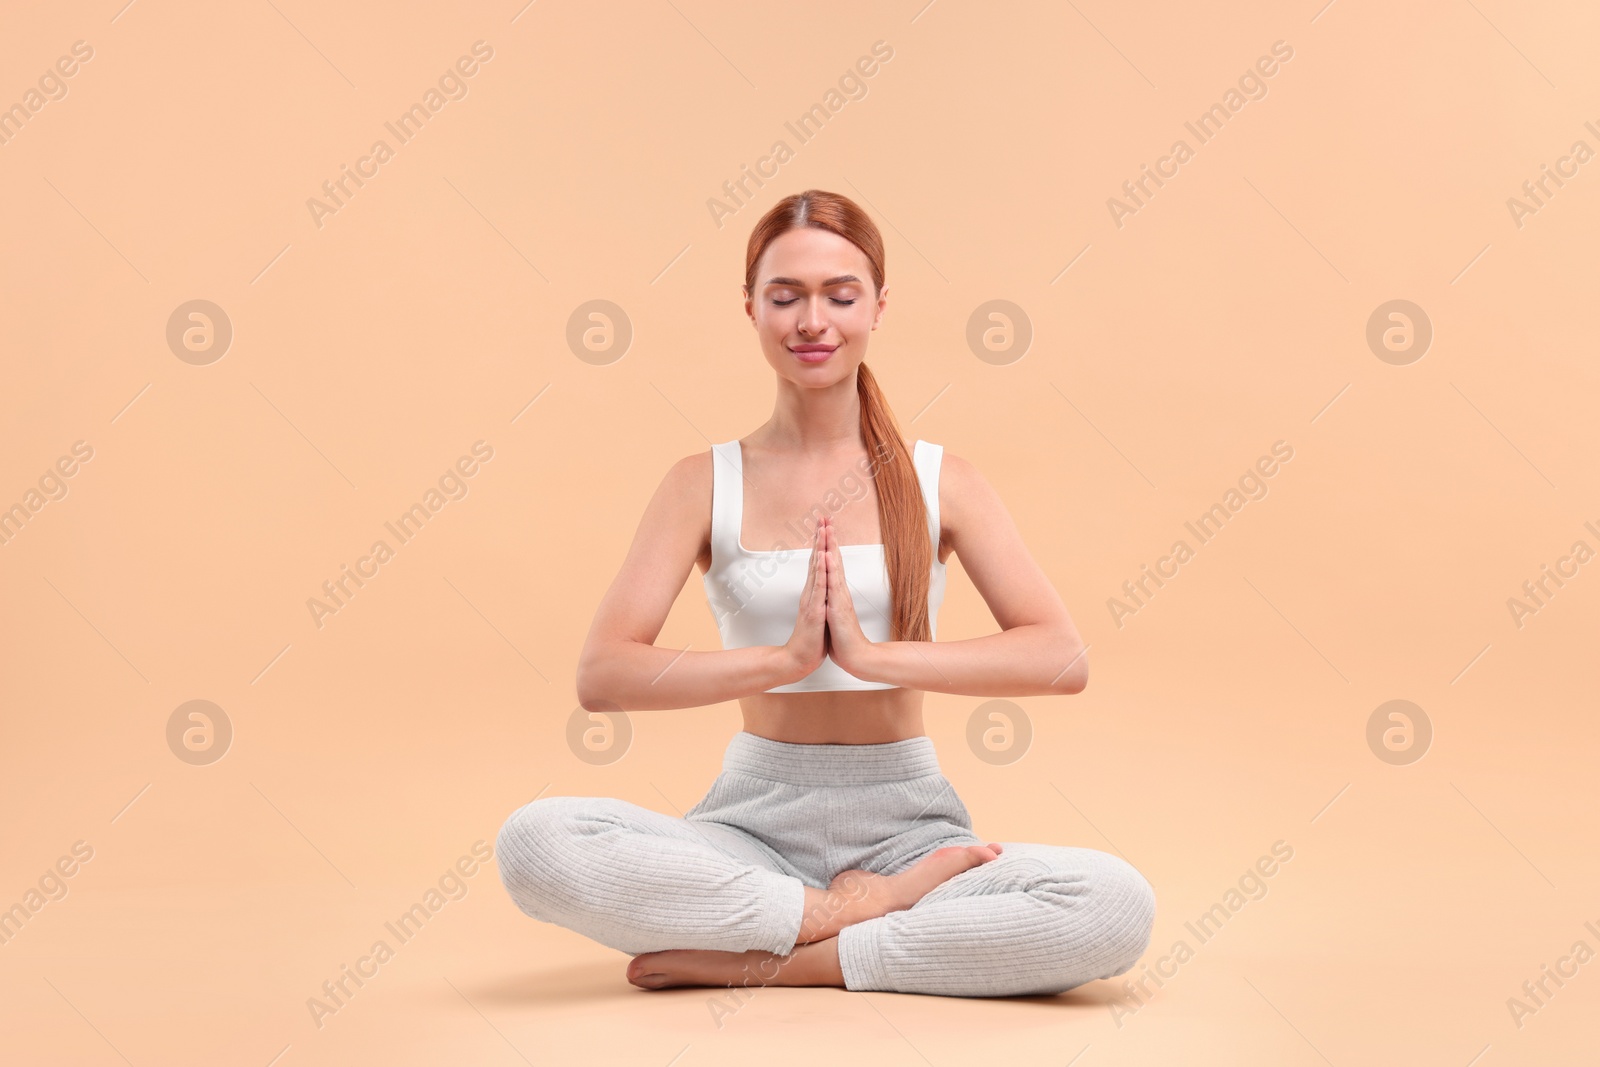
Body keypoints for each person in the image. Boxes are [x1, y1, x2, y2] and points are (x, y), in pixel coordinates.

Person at [495, 189, 1155, 997]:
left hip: (914, 832)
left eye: (841, 296)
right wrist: (782, 659)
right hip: (750, 829)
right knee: (535, 841)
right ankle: (841, 914)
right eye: (786, 297)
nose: (814, 321)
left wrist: (875, 656)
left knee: (1114, 904)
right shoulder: (702, 483)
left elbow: (1061, 656)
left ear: (879, 305)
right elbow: (603, 675)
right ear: (750, 307)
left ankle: (794, 957)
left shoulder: (942, 480)